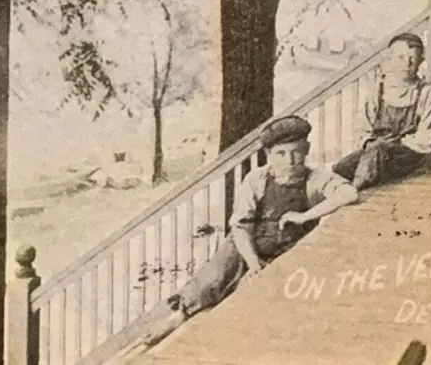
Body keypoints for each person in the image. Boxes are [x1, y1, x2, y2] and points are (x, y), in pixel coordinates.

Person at [138, 116, 359, 346]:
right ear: (269, 155)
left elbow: (349, 194)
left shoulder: (315, 178)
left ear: (307, 149)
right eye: (281, 154)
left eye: (296, 152)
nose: (290, 161)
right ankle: (178, 316)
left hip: (283, 253)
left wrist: (304, 216)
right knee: (216, 274)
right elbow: (241, 226)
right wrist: (253, 262)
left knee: (249, 296)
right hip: (247, 246)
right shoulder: (257, 179)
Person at [333, 34, 431, 189]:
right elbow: (363, 125)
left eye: (412, 58)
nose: (406, 63)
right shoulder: (380, 89)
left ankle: (354, 192)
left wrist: (392, 144)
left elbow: (425, 138)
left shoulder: (426, 92)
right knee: (341, 168)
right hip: (376, 151)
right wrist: (368, 142)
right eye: (400, 57)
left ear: (421, 61)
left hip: (407, 154)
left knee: (377, 152)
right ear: (390, 60)